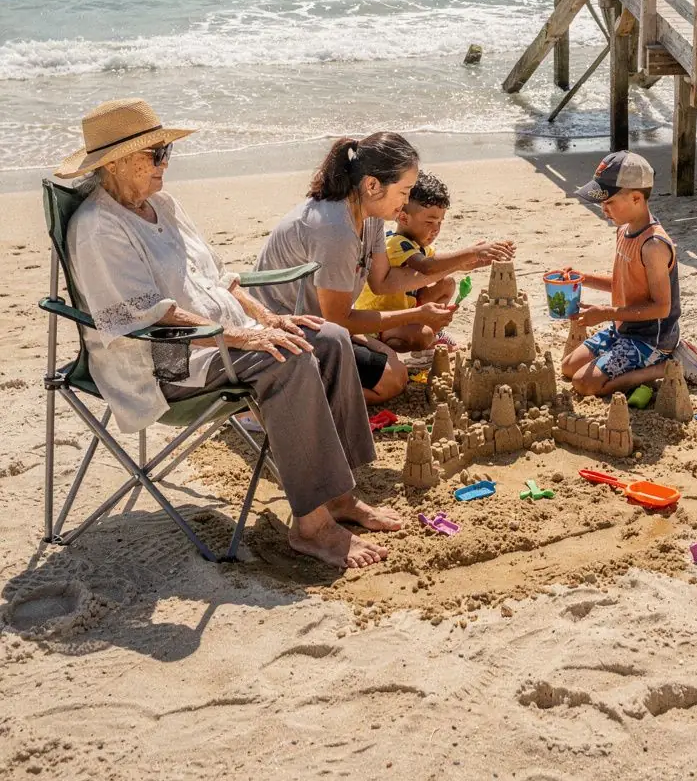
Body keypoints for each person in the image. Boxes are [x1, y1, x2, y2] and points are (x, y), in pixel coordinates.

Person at [57, 98, 400, 571]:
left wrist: (268, 320)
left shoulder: (162, 205)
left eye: (166, 154)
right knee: (290, 360)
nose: (165, 166)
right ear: (115, 162)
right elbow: (148, 318)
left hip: (223, 339)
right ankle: (312, 527)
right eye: (156, 156)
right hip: (167, 361)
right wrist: (240, 337)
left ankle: (339, 496)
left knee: (330, 337)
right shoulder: (98, 227)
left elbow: (220, 277)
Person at [254, 133, 453, 404]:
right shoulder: (335, 229)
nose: (405, 202)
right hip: (283, 335)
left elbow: (383, 281)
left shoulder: (369, 216)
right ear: (372, 185)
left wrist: (463, 262)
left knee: (396, 369)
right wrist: (417, 313)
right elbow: (339, 319)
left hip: (318, 323)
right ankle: (285, 400)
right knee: (391, 381)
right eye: (404, 192)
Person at [561, 150, 697, 397]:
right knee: (569, 367)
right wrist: (585, 279)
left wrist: (605, 313)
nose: (603, 208)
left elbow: (661, 308)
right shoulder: (623, 230)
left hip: (650, 341)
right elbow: (625, 285)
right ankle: (629, 361)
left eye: (609, 201)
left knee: (584, 384)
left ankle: (666, 366)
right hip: (623, 328)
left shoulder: (653, 245)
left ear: (636, 198)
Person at [354, 170, 516, 351]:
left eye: (440, 222)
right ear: (403, 217)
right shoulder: (396, 243)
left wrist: (469, 263)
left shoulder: (419, 246)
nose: (436, 229)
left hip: (405, 311)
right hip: (380, 323)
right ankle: (417, 342)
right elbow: (428, 267)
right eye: (430, 222)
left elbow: (438, 264)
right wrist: (472, 252)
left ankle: (433, 333)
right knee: (422, 335)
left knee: (446, 284)